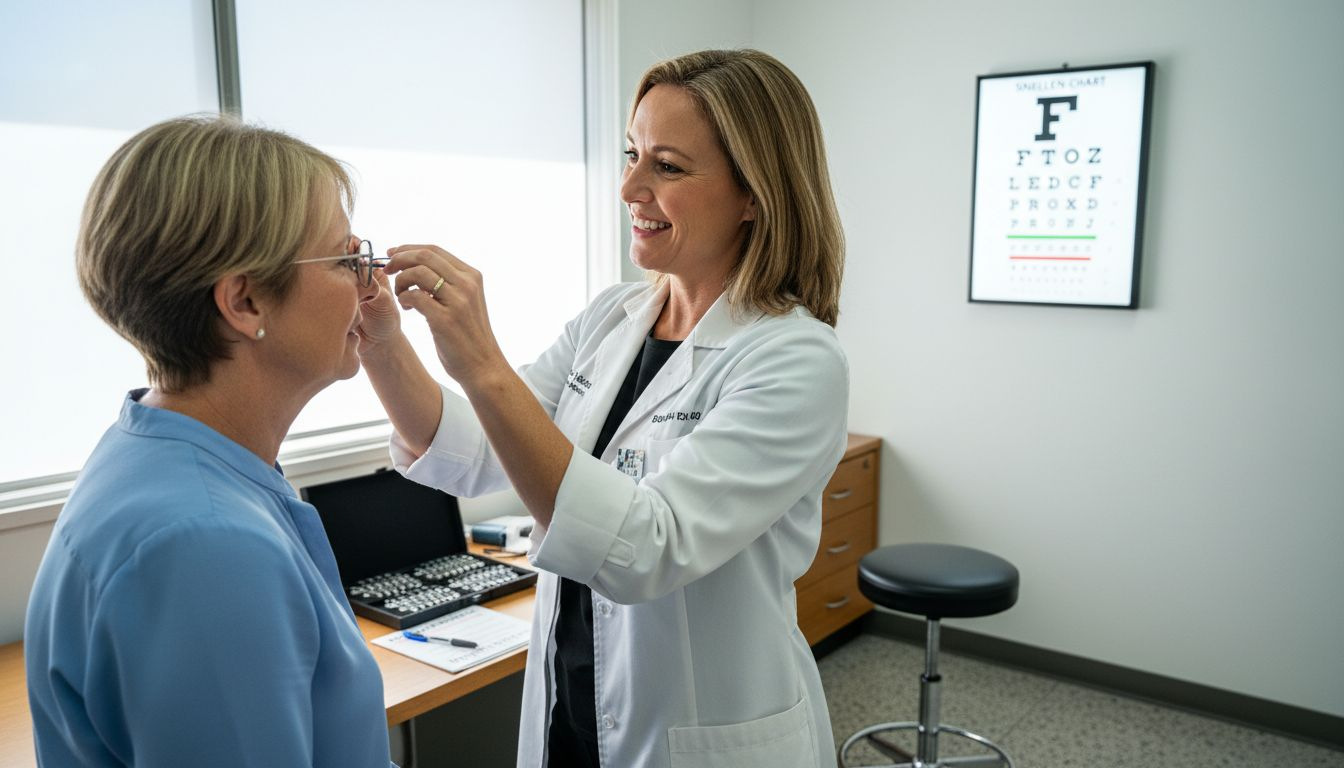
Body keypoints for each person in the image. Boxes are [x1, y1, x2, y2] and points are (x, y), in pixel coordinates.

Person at [359, 48, 847, 767]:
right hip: (573, 706)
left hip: (700, 733)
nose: (628, 187)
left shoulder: (795, 360)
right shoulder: (611, 319)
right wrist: (381, 341)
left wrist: (483, 362)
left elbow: (646, 549)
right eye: (631, 154)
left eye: (668, 166)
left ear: (754, 194)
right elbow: (479, 452)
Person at [24, 116, 394, 767]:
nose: (370, 286)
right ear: (245, 302)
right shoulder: (207, 543)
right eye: (345, 259)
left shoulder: (156, 450)